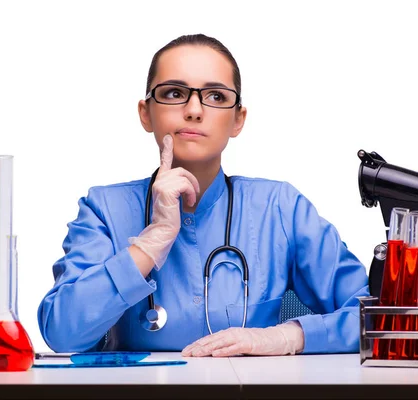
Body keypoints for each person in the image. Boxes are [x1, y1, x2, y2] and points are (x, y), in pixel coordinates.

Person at [37, 33, 369, 357]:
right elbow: (61, 333)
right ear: (145, 113)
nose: (194, 110)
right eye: (173, 93)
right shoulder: (104, 209)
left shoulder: (279, 208)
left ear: (237, 120)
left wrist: (288, 336)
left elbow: (372, 315)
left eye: (215, 97)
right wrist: (148, 246)